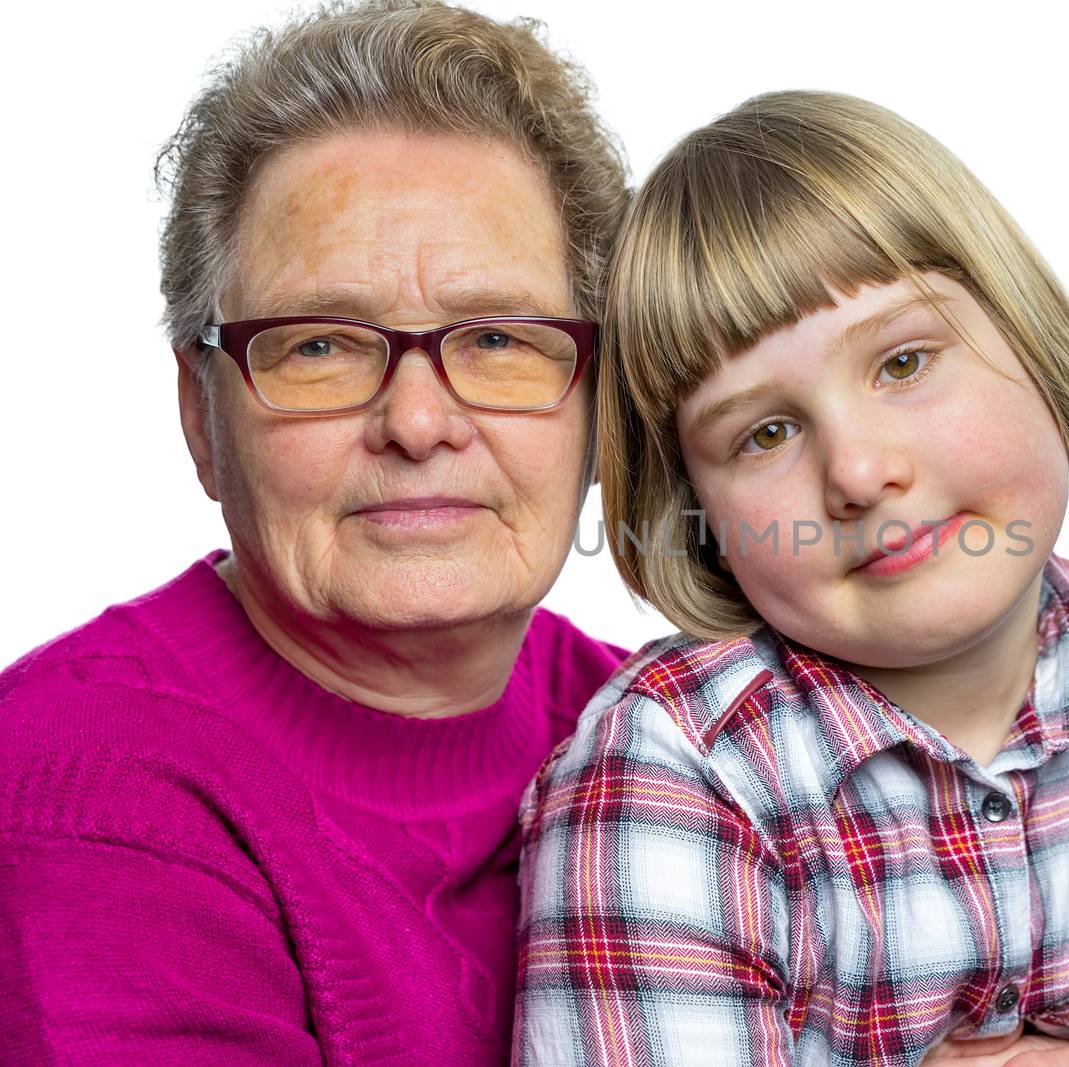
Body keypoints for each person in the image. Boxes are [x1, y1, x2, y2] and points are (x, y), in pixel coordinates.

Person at [517, 91, 1069, 1065]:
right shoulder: (676, 773)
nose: (856, 472)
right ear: (700, 519)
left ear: (1026, 335)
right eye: (764, 432)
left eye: (902, 362)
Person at [0, 2, 629, 1061]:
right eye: (320, 347)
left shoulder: (671, 735)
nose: (419, 423)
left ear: (601, 401)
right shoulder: (78, 789)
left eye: (496, 338)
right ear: (203, 414)